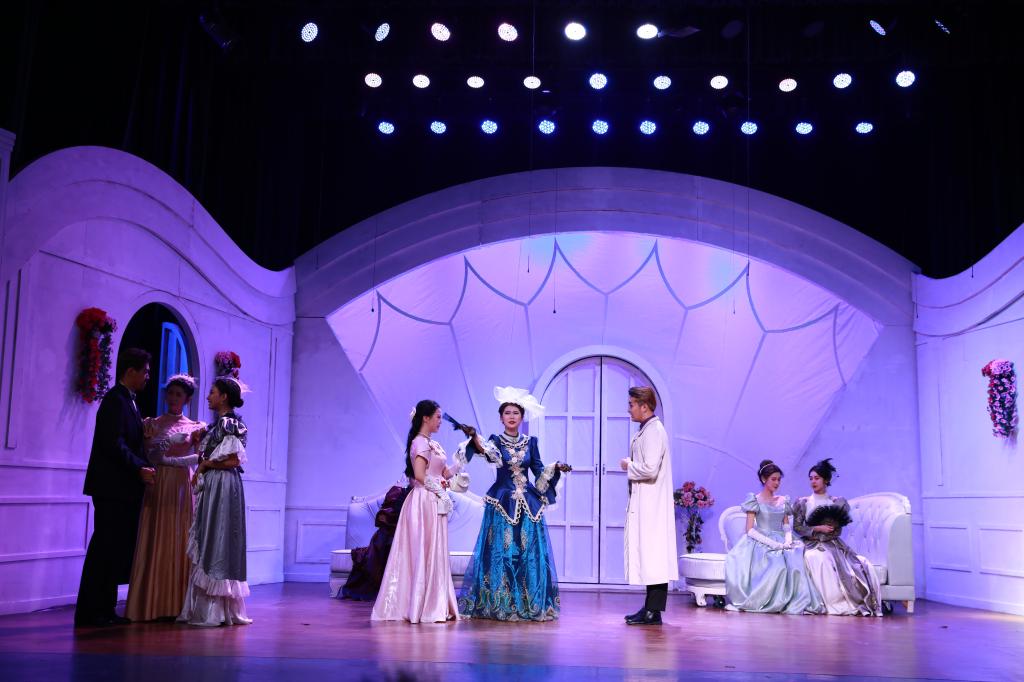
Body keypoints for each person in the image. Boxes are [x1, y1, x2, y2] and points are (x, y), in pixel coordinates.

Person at [457, 386, 571, 621]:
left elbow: (538, 471)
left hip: (528, 505)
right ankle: (501, 603)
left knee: (528, 554)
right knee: (503, 553)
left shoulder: (531, 442)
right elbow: (488, 454)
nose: (511, 416)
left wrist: (555, 468)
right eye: (507, 413)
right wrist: (475, 438)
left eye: (516, 413)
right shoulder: (495, 441)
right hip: (502, 504)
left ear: (522, 417)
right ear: (501, 418)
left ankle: (529, 602)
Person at [74, 348, 156, 627]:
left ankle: (104, 609)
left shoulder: (128, 401)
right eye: (145, 371)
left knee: (112, 550)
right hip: (112, 488)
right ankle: (92, 611)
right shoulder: (115, 401)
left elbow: (130, 442)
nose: (148, 376)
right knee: (104, 549)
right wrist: (139, 467)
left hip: (121, 489)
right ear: (130, 371)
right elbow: (114, 443)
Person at [371, 400, 460, 623]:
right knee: (422, 549)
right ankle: (419, 606)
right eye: (437, 417)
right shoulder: (420, 443)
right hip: (424, 501)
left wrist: (460, 462)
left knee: (433, 550)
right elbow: (419, 476)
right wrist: (439, 490)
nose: (440, 421)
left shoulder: (432, 443)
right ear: (426, 418)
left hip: (433, 500)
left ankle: (433, 602)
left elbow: (442, 474)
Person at [125, 374, 205, 621]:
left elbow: (200, 459)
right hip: (158, 483)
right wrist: (167, 445)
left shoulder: (196, 427)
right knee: (156, 535)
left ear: (187, 399)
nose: (173, 398)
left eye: (178, 395)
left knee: (180, 537)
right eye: (170, 393)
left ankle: (179, 605)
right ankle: (152, 604)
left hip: (181, 485)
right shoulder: (152, 424)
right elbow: (149, 456)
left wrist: (175, 460)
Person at [178, 377, 252, 626]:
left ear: (224, 397)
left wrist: (206, 465)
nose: (209, 396)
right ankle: (212, 607)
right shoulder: (217, 425)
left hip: (223, 483)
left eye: (212, 392)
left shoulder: (230, 423)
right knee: (210, 535)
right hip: (215, 483)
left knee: (218, 537)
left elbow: (234, 460)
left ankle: (215, 610)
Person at [724, 459, 824, 614]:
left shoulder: (783, 500)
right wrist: (772, 544)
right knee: (777, 564)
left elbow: (786, 525)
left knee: (796, 558)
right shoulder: (754, 500)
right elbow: (749, 530)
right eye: (773, 479)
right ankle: (771, 601)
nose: (777, 483)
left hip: (782, 538)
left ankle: (796, 600)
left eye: (779, 480)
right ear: (764, 479)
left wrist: (788, 539)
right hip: (761, 540)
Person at [793, 458, 883, 616]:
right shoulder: (803, 502)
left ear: (826, 480)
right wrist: (817, 528)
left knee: (861, 563)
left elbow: (838, 526)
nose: (813, 482)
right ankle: (824, 602)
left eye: (817, 478)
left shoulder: (837, 502)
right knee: (815, 558)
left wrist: (830, 530)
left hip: (833, 543)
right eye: (811, 478)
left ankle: (848, 600)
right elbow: (798, 528)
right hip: (811, 543)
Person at [620, 386, 678, 625]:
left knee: (654, 555)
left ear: (644, 406)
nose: (629, 409)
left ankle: (653, 612)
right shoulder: (647, 429)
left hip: (652, 503)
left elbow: (650, 468)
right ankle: (650, 608)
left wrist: (629, 465)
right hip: (647, 500)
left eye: (632, 404)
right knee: (651, 555)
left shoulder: (654, 431)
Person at [337, 482, 412, 601]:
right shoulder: (398, 494)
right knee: (386, 542)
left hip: (411, 533)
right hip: (391, 535)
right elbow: (388, 521)